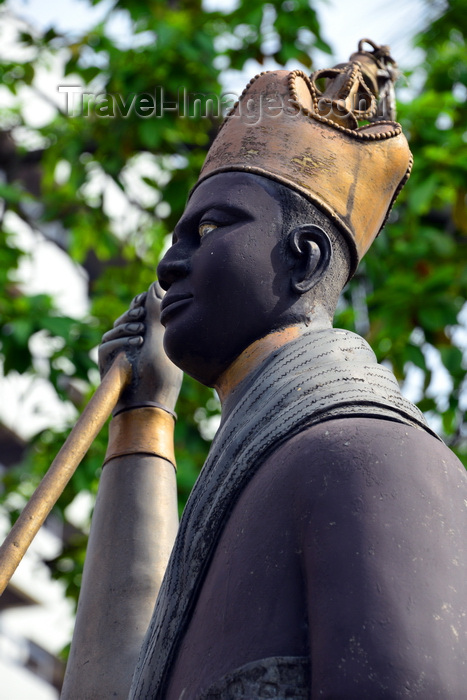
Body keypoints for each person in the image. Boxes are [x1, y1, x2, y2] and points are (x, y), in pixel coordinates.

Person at [61, 42, 467, 699]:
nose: (169, 264)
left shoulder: (366, 457)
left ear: (302, 258)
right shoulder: (263, 477)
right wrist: (142, 419)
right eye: (174, 240)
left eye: (210, 230)